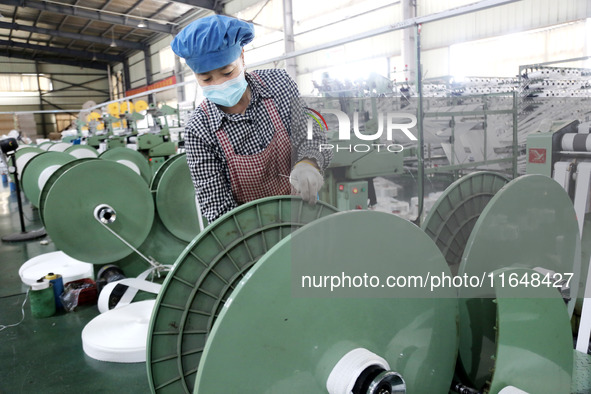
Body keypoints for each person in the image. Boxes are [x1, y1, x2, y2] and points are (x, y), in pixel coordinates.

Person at [171, 15, 332, 223]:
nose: (219, 84)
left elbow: (312, 135)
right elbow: (217, 209)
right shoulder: (199, 129)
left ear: (242, 57)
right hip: (249, 235)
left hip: (304, 214)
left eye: (227, 72)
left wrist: (309, 163)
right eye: (206, 79)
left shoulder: (279, 85)